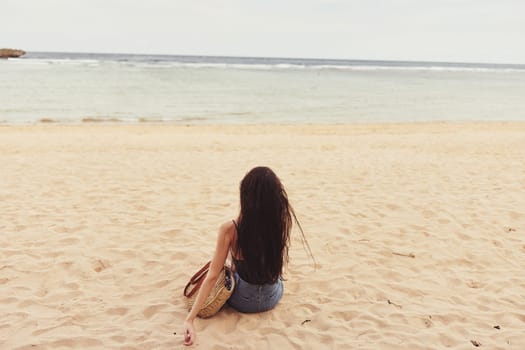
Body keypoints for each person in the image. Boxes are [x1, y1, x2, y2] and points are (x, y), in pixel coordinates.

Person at [183, 166, 313, 346]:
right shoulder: (279, 222)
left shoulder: (230, 229)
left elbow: (213, 276)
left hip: (243, 301)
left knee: (229, 264)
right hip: (272, 297)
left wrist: (190, 319)